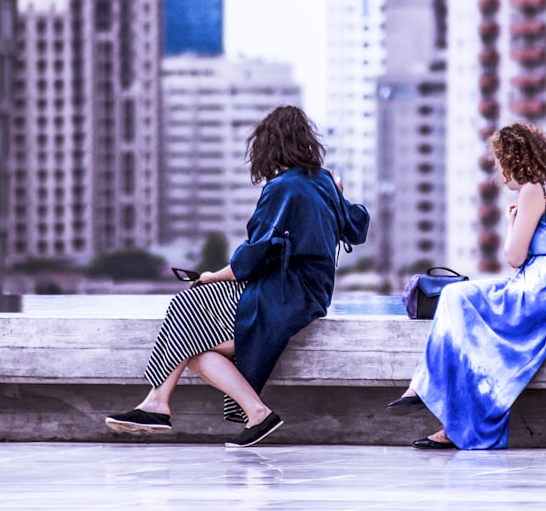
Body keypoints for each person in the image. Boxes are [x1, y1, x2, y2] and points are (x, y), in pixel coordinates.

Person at [106, 105, 370, 447]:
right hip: (311, 294)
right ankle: (166, 404)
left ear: (269, 146)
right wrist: (340, 192)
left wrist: (210, 276)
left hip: (282, 292)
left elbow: (253, 255)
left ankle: (209, 408)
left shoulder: (282, 188)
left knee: (187, 308)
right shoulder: (323, 181)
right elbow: (357, 228)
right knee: (191, 340)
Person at [386, 122, 546, 450]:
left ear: (513, 159)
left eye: (499, 160)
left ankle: (425, 386)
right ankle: (449, 419)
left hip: (543, 288)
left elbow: (514, 256)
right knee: (467, 319)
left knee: (454, 295)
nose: (497, 169)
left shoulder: (533, 190)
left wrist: (512, 222)